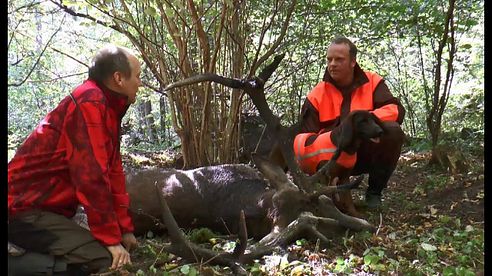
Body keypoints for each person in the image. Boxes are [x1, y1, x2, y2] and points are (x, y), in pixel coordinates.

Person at [8, 45, 142, 275]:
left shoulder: (108, 108)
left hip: (47, 210)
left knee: (113, 254)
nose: (140, 83)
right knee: (104, 262)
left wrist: (123, 229)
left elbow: (113, 173)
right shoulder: (90, 102)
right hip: (21, 209)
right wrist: (111, 239)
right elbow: (90, 177)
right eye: (138, 76)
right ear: (118, 78)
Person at [294, 37, 406, 208]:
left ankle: (374, 193)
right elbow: (304, 139)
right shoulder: (317, 94)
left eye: (339, 59)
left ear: (353, 62)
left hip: (366, 153)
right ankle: (327, 194)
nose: (332, 64)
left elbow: (395, 110)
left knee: (393, 131)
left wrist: (362, 123)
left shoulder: (373, 82)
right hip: (332, 158)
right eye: (329, 59)